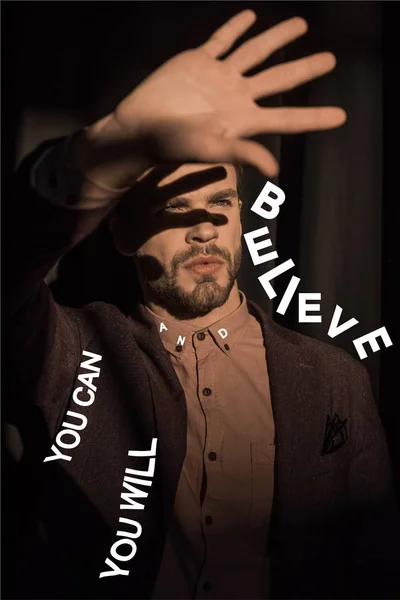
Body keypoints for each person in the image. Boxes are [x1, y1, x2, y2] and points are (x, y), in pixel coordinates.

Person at [4, 10, 400, 600]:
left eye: (222, 205)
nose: (204, 230)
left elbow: (373, 571)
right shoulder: (69, 353)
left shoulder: (333, 380)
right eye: (174, 209)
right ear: (123, 233)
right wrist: (102, 153)